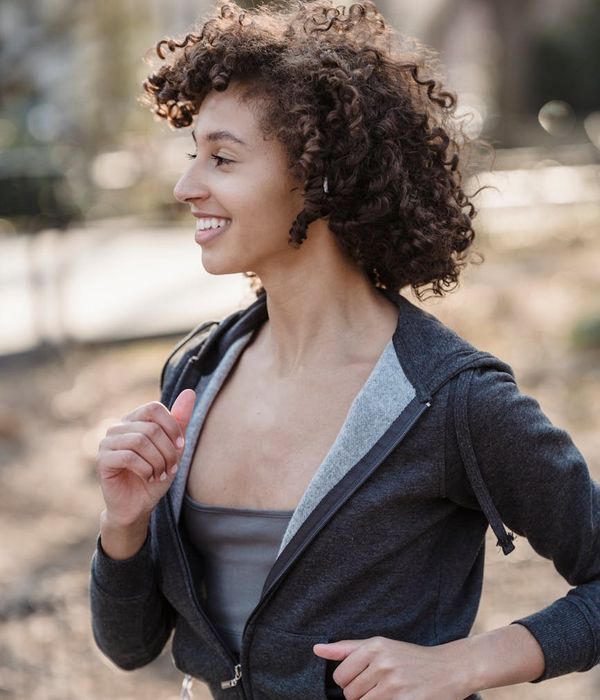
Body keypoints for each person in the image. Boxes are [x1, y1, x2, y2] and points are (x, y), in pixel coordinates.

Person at [89, 1, 600, 699]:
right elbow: (130, 645)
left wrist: (464, 663)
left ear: (320, 175)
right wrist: (123, 524)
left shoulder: (449, 400)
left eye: (223, 159)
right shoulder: (197, 375)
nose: (186, 186)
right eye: (192, 156)